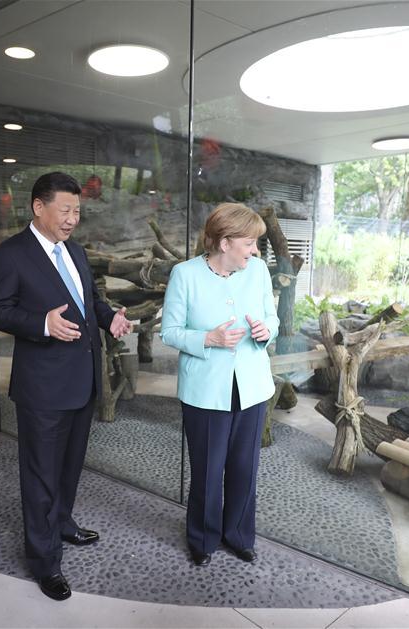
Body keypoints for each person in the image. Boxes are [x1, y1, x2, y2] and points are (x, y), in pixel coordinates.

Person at [0, 171, 132, 601]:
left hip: (82, 381)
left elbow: (90, 298)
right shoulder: (11, 255)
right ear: (38, 207)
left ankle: (63, 523)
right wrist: (41, 323)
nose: (72, 219)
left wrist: (109, 318)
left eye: (77, 211)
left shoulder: (76, 251)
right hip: (42, 389)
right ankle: (45, 561)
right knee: (40, 475)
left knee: (69, 467)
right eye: (65, 210)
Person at [160, 203, 279, 567]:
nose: (256, 251)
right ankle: (203, 538)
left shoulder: (257, 271)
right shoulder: (185, 274)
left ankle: (239, 535)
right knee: (209, 471)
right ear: (225, 243)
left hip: (252, 387)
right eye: (250, 243)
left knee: (245, 467)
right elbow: (169, 331)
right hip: (205, 391)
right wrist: (207, 339)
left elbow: (271, 318)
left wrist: (265, 331)